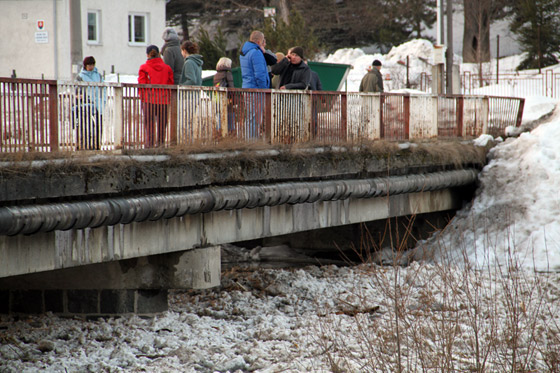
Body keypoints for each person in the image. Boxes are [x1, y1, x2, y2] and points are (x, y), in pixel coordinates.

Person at [138, 45, 174, 147]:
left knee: (149, 123)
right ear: (159, 54)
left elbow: (142, 84)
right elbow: (170, 83)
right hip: (163, 100)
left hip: (148, 100)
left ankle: (149, 145)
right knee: (162, 124)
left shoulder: (144, 68)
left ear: (147, 54)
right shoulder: (167, 68)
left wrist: (143, 97)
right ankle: (161, 145)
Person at [74, 56, 104, 150]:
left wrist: (103, 101)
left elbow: (103, 89)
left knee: (98, 126)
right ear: (85, 66)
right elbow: (77, 91)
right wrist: (82, 99)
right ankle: (84, 146)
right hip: (86, 105)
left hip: (98, 103)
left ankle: (97, 145)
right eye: (89, 65)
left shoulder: (98, 76)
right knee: (85, 127)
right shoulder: (80, 76)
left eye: (92, 65)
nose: (91, 67)